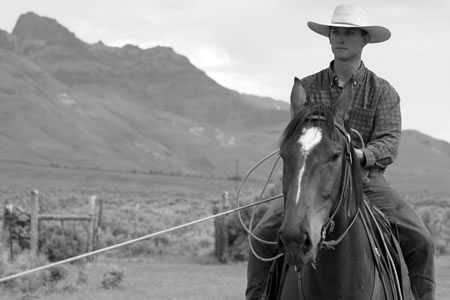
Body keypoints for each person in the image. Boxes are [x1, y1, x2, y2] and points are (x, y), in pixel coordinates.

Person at [246, 4, 435, 300]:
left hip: (367, 182)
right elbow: (302, 140)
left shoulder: (383, 92)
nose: (340, 38)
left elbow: (389, 143)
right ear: (329, 37)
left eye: (348, 33)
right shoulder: (308, 87)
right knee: (262, 234)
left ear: (365, 40)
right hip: (315, 181)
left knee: (420, 240)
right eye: (336, 32)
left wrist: (360, 156)